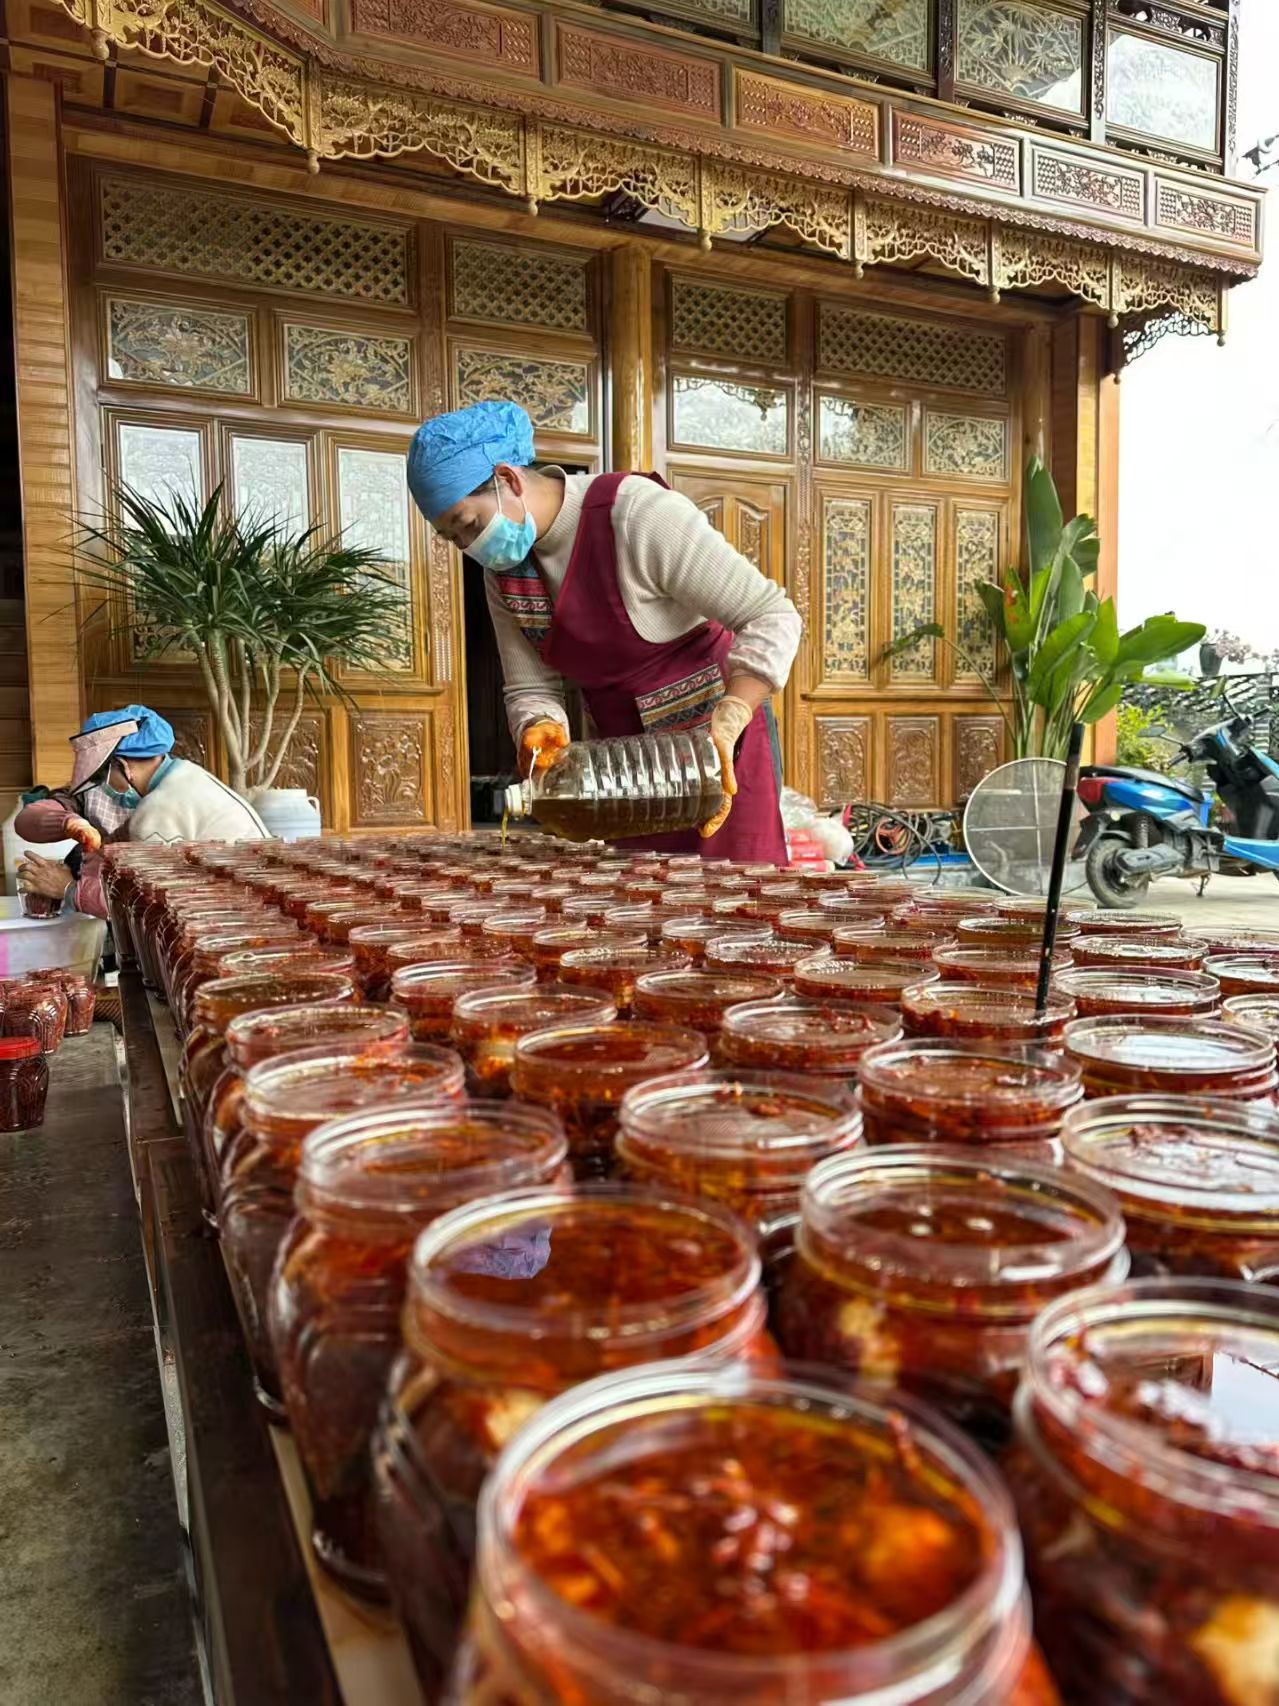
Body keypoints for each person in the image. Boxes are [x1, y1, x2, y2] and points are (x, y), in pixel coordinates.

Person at [407, 401, 801, 863]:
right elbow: (530, 686)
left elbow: (771, 615)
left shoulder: (636, 514)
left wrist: (734, 712)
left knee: (734, 889)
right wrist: (539, 724)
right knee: (639, 895)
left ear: (508, 479)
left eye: (469, 525)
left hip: (716, 747)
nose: (468, 546)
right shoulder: (504, 573)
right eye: (452, 538)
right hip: (622, 767)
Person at [17, 706, 268, 914]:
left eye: (103, 777)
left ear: (123, 765)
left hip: (243, 915)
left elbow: (145, 905)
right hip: (252, 902)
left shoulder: (159, 807)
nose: (102, 787)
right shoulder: (185, 775)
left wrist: (67, 888)